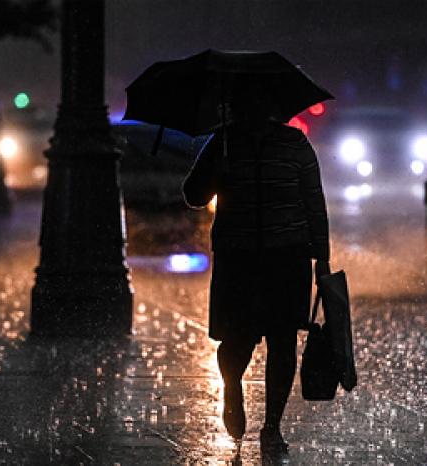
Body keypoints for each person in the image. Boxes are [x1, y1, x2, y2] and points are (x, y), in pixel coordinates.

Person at [182, 82, 330, 456]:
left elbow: (314, 201)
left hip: (285, 257)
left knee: (282, 343)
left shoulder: (294, 145)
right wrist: (219, 173)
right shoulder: (223, 144)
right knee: (238, 340)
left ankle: (273, 428)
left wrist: (322, 257)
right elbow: (194, 195)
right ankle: (233, 388)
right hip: (242, 258)